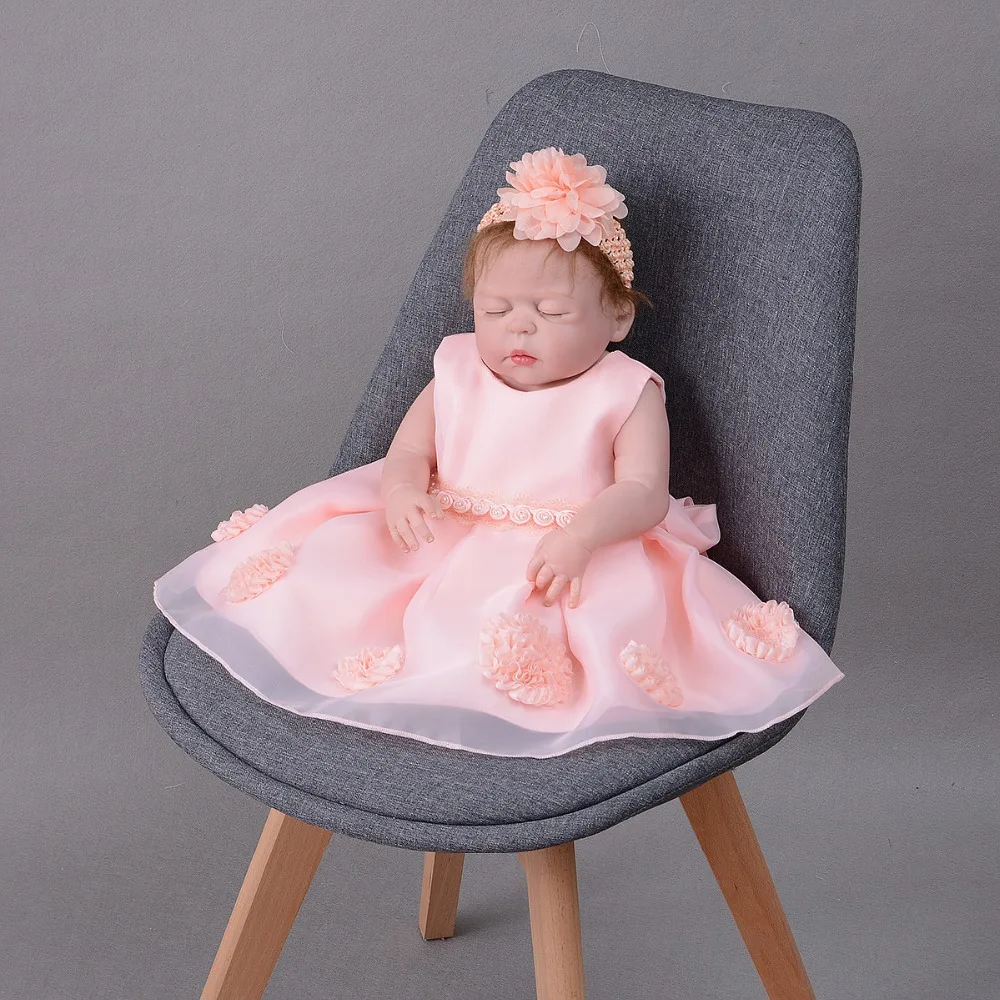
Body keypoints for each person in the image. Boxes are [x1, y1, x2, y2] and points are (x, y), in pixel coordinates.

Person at [153, 147, 844, 758]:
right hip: (442, 536)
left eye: (551, 312)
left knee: (526, 648)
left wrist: (581, 537)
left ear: (618, 316)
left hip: (567, 554)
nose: (520, 328)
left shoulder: (625, 389)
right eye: (496, 310)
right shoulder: (458, 369)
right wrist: (402, 490)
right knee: (334, 593)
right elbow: (409, 449)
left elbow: (642, 493)